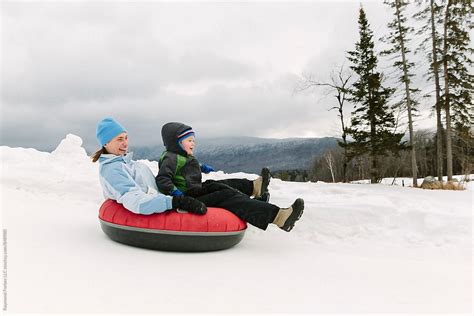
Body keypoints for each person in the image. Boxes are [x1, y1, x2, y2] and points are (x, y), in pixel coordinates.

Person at [155, 122, 304, 232]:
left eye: (193, 140)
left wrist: (201, 167)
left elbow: (185, 167)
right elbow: (162, 179)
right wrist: (177, 194)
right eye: (189, 140)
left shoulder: (180, 155)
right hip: (188, 198)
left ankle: (254, 188)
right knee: (226, 196)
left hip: (195, 190)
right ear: (177, 143)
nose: (193, 143)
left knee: (219, 185)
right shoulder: (171, 158)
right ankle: (279, 218)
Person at [91, 117, 207, 215]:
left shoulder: (132, 164)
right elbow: (135, 200)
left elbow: (155, 188)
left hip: (165, 199)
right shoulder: (112, 171)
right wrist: (176, 202)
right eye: (119, 139)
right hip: (161, 206)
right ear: (106, 143)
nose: (125, 143)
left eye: (126, 138)